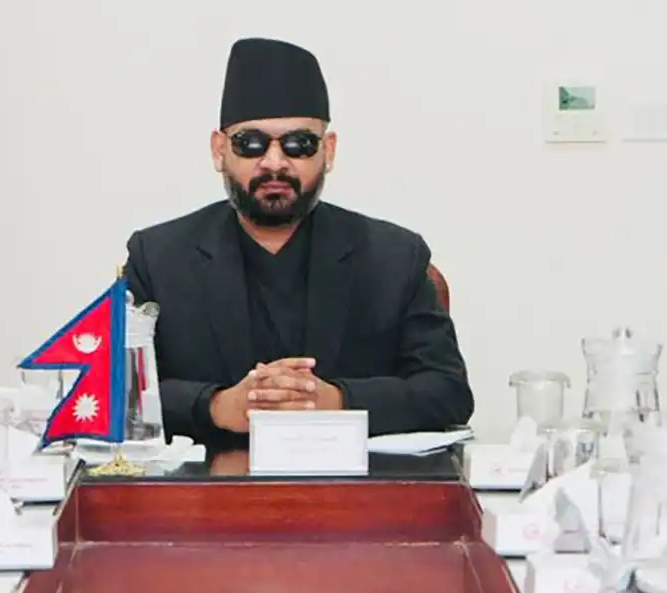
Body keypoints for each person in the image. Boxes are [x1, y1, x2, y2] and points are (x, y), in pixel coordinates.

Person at [124, 37, 473, 447]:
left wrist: (336, 401)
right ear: (219, 151)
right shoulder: (158, 258)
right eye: (251, 144)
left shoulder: (393, 258)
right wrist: (217, 406)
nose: (275, 163)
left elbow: (448, 392)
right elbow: (115, 391)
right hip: (210, 480)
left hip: (355, 484)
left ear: (329, 151)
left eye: (299, 145)